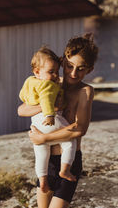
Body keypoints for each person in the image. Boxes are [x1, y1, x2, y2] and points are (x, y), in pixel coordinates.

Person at [18, 33, 98, 208]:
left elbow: (79, 129)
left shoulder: (85, 92)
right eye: (70, 66)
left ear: (89, 70)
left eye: (81, 69)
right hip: (47, 164)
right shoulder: (51, 83)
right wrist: (45, 106)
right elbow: (21, 110)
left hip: (68, 163)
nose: (74, 73)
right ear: (63, 61)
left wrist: (44, 138)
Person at [19, 46, 77, 194]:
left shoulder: (29, 83)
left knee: (41, 154)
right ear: (37, 71)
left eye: (57, 71)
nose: (55, 75)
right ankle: (65, 169)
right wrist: (50, 112)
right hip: (50, 121)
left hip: (36, 126)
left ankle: (42, 179)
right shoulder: (47, 84)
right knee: (70, 141)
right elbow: (46, 99)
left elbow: (22, 101)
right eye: (51, 72)